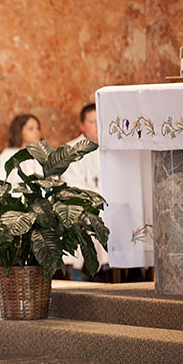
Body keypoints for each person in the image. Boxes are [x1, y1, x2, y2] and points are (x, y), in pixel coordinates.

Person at [61, 102, 109, 278]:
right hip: (85, 204)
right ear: (82, 125)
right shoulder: (72, 149)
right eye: (92, 121)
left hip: (109, 202)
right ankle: (95, 269)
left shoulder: (113, 148)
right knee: (96, 215)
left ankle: (126, 269)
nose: (97, 126)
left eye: (100, 121)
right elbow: (73, 185)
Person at [0, 113, 42, 186]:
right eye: (31, 129)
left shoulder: (41, 155)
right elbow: (0, 185)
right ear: (19, 131)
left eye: (38, 128)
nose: (36, 132)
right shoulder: (7, 156)